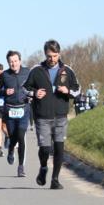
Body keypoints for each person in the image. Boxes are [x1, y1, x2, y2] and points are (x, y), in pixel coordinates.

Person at [24, 40, 80, 189]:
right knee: (45, 149)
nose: (52, 59)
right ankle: (43, 168)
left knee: (60, 148)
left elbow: (77, 90)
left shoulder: (67, 71)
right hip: (42, 117)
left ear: (59, 54)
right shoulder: (36, 70)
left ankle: (55, 179)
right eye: (49, 56)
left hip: (61, 116)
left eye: (55, 56)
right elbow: (25, 88)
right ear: (45, 55)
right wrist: (35, 93)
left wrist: (67, 91)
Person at [0, 51, 32, 177]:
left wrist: (31, 94)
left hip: (24, 109)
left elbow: (33, 86)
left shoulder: (27, 72)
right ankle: (11, 149)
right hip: (10, 110)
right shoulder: (4, 75)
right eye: (11, 61)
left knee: (21, 137)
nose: (14, 63)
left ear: (20, 61)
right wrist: (5, 91)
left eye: (16, 61)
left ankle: (21, 167)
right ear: (8, 63)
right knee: (13, 138)